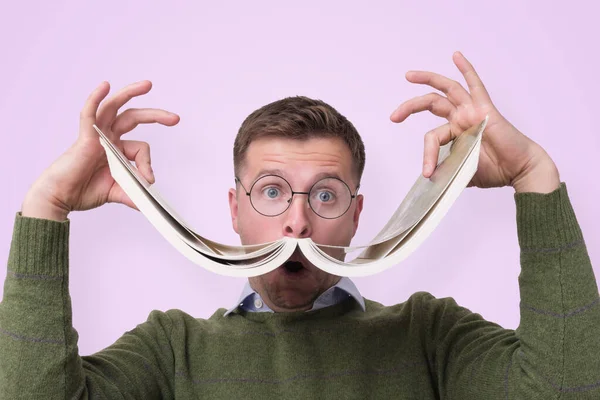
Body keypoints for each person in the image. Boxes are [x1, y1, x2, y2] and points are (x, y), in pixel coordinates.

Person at [1, 52, 598, 399]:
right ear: (233, 210)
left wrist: (532, 174)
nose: (298, 222)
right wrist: (45, 205)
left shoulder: (428, 335)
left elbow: (567, 391)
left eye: (327, 195)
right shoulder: (172, 349)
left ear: (358, 215)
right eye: (270, 192)